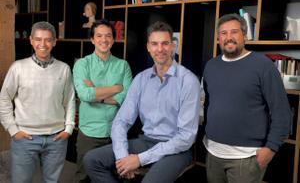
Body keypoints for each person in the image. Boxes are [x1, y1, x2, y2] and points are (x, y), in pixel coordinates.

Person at [83, 21, 201, 183]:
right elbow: (121, 121)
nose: (160, 49)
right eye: (154, 44)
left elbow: (186, 137)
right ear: (148, 47)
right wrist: (122, 157)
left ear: (172, 46)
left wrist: (139, 159)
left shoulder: (188, 81)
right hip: (146, 141)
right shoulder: (141, 79)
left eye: (165, 43)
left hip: (177, 149)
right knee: (91, 160)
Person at [202, 13, 292, 183]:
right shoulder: (211, 66)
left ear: (244, 35)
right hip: (213, 154)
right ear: (218, 38)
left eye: (234, 32)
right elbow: (208, 104)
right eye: (223, 33)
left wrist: (270, 149)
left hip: (247, 159)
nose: (228, 37)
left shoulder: (263, 65)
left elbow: (282, 112)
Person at [0, 21, 76, 183]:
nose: (43, 44)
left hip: (57, 138)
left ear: (54, 42)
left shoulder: (64, 69)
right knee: (21, 181)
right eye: (38, 39)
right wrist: (13, 129)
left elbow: (69, 100)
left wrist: (68, 128)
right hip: (25, 137)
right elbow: (4, 98)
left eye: (48, 40)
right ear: (31, 40)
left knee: (52, 181)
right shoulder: (18, 68)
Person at [73, 19, 132, 183]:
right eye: (99, 36)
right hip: (89, 133)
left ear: (113, 39)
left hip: (116, 133)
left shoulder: (123, 66)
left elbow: (127, 99)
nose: (104, 40)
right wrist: (116, 88)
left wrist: (96, 93)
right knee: (83, 177)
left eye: (108, 36)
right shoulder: (82, 65)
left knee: (113, 177)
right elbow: (85, 95)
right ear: (92, 39)